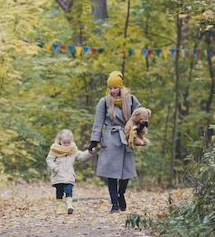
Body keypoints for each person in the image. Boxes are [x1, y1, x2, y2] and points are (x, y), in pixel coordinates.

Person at [88, 71, 143, 213]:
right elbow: (98, 122)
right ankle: (114, 203)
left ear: (120, 87)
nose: (112, 91)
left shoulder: (130, 99)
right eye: (110, 88)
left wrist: (141, 127)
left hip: (126, 137)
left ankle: (121, 194)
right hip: (111, 138)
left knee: (126, 172)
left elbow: (140, 114)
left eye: (115, 87)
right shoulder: (104, 101)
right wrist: (94, 141)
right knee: (111, 173)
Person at [46, 129, 95, 215]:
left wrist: (89, 152)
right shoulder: (55, 150)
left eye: (68, 143)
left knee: (69, 189)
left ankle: (69, 204)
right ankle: (59, 207)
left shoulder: (73, 150)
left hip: (69, 175)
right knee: (59, 191)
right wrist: (54, 167)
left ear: (71, 141)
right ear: (59, 141)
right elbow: (49, 160)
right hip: (58, 175)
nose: (66, 145)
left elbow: (81, 156)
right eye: (64, 143)